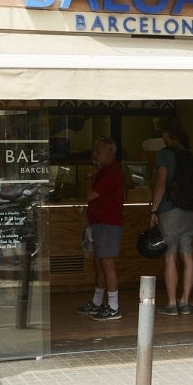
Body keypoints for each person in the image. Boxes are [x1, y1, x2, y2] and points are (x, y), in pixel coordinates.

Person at [150, 118, 193, 315]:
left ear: (169, 135)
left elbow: (161, 183)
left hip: (170, 210)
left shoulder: (165, 154)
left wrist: (154, 210)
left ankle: (171, 303)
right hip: (189, 211)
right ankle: (185, 301)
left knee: (170, 257)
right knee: (188, 257)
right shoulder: (189, 155)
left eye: (164, 135)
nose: (162, 138)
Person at [75, 136, 125, 321]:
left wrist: (89, 175)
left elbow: (89, 195)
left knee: (107, 264)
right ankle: (97, 302)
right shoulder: (104, 172)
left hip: (108, 224)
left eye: (99, 150)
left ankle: (113, 307)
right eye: (94, 150)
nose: (95, 154)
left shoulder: (112, 172)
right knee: (99, 263)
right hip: (99, 224)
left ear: (110, 152)